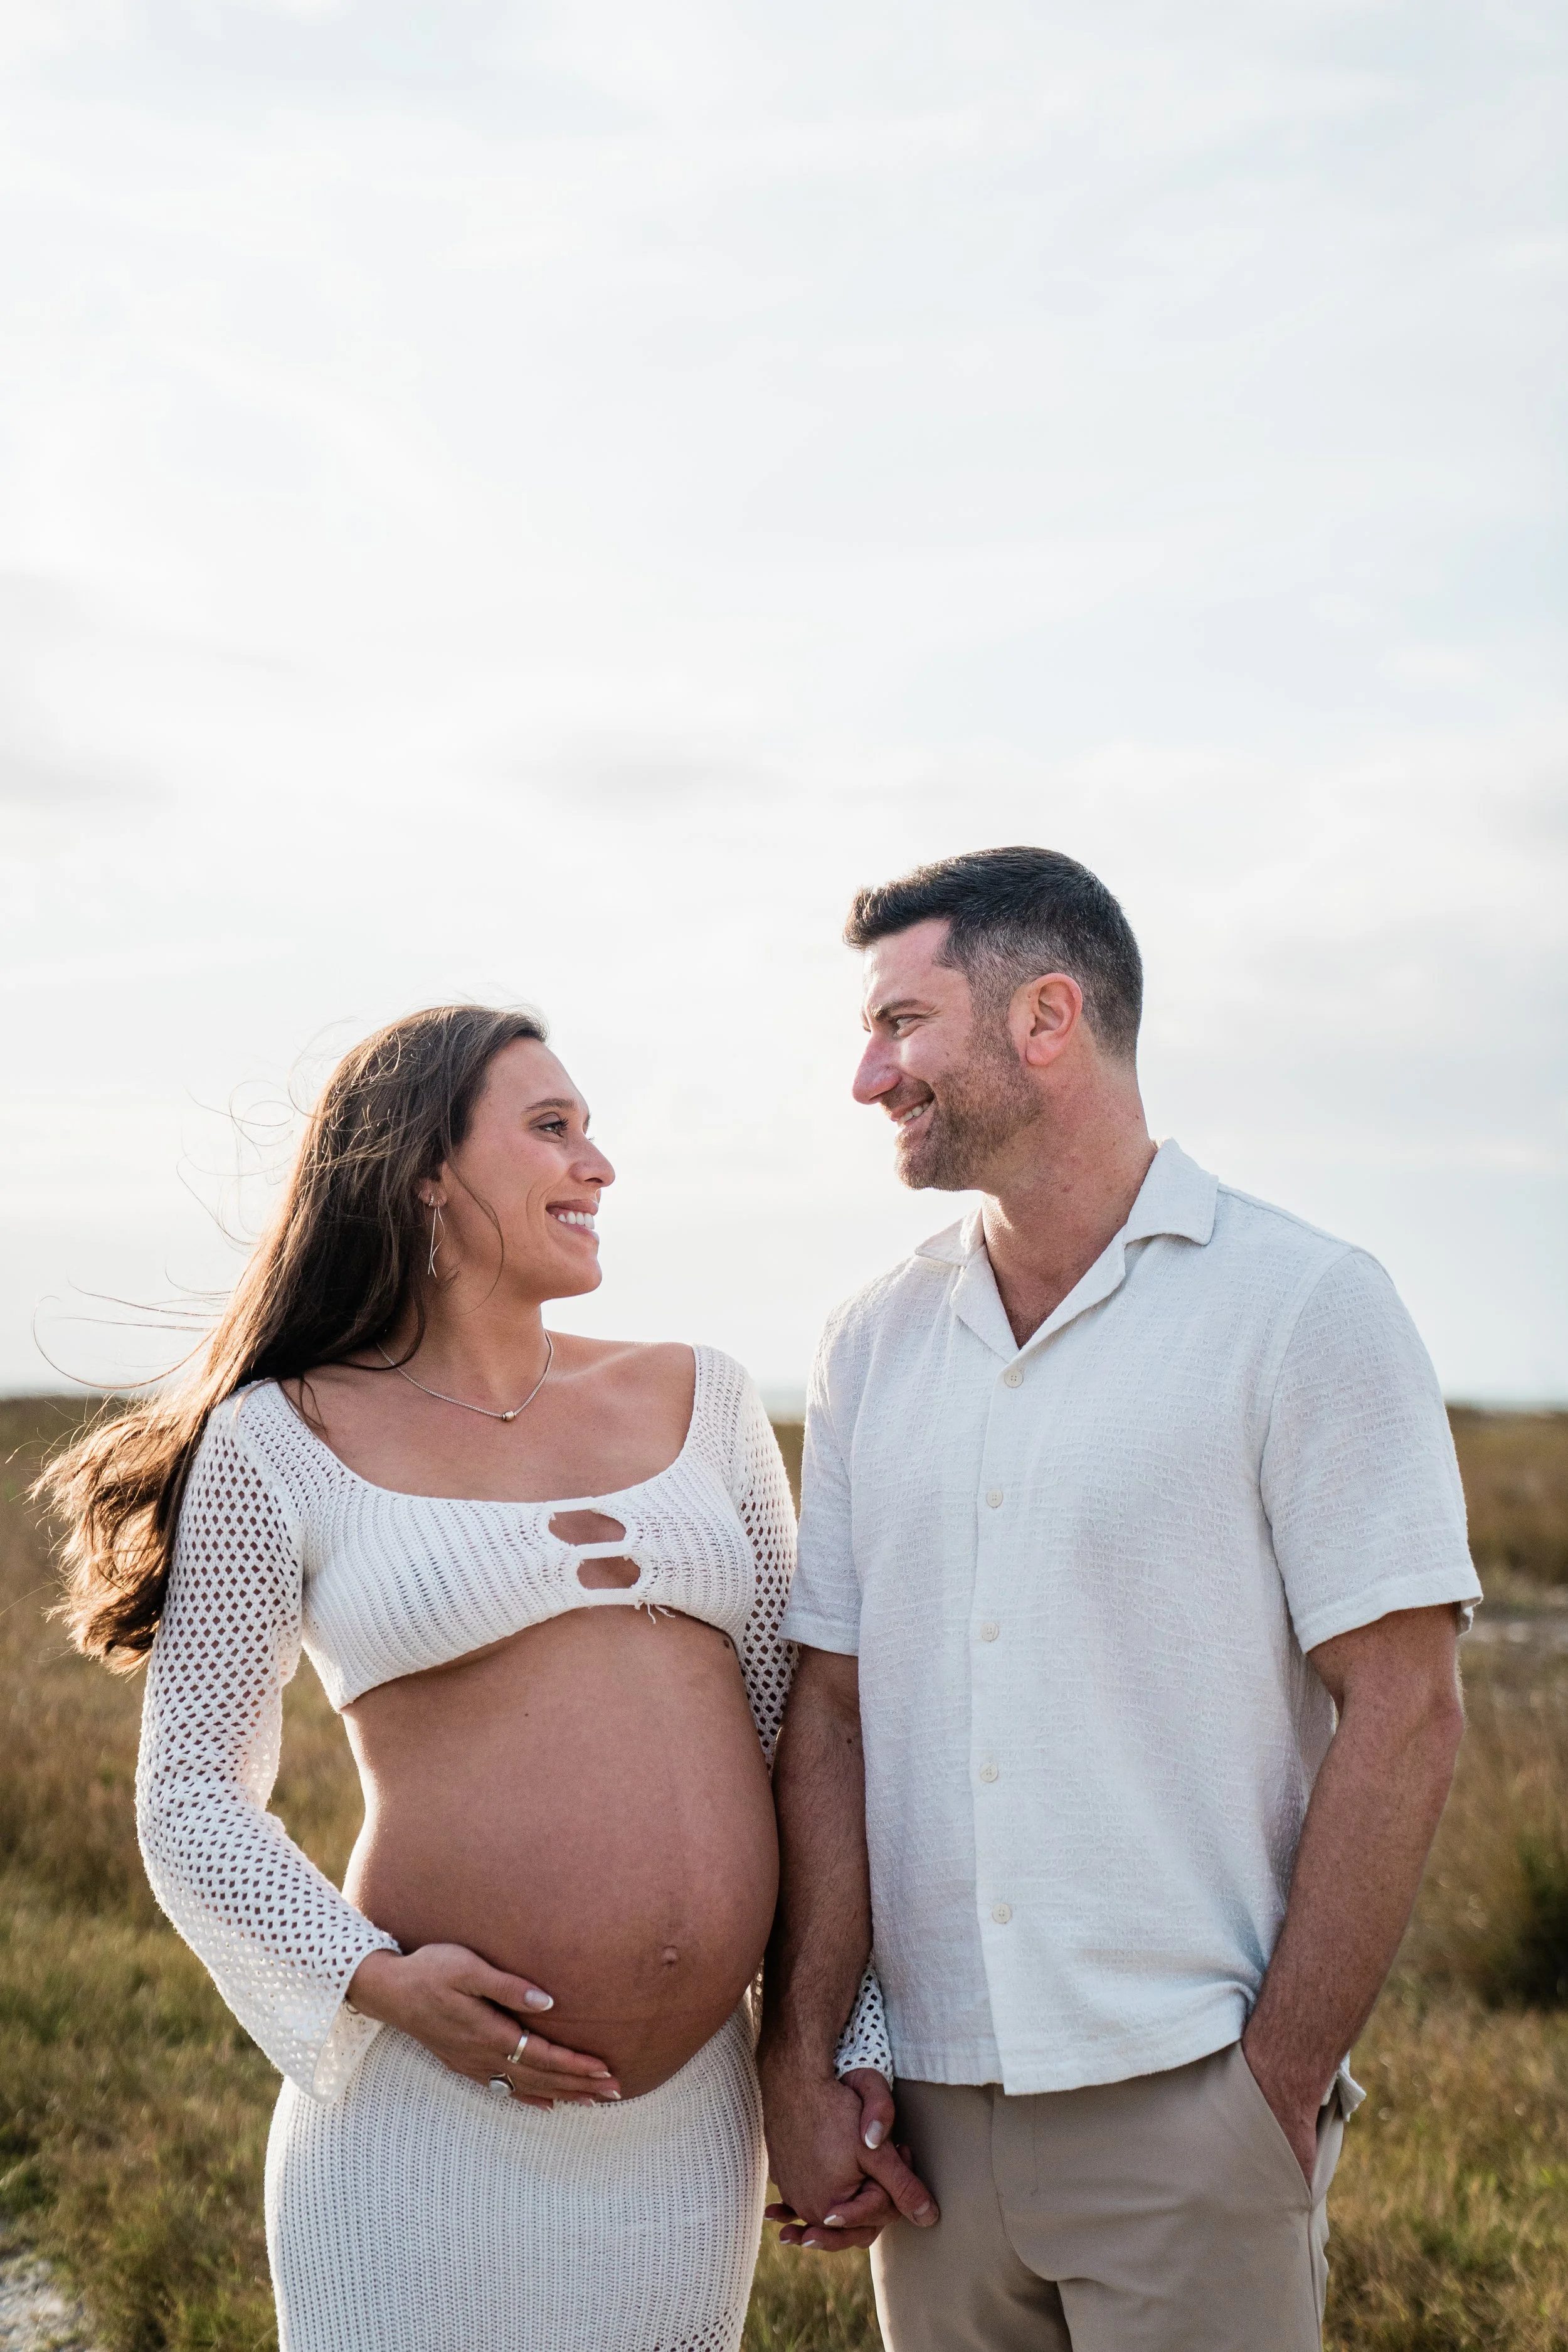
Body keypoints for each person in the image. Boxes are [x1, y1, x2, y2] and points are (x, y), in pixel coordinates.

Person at [41, 1004, 912, 2352]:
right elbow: (191, 1800)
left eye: (590, 1128)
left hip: (684, 2131)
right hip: (422, 2128)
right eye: (551, 1129)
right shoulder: (282, 1437)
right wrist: (377, 1981)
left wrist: (829, 2042)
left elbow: (791, 1744)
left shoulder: (709, 1401)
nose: (598, 1164)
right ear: (425, 1171)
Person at [759, 849, 1481, 2352]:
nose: (865, 1075)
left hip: (1190, 2107)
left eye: (900, 1023)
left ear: (1044, 1017)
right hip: (933, 2146)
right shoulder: (867, 1344)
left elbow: (1405, 1710)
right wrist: (806, 2054)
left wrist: (1273, 2082)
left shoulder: (1300, 1307)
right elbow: (827, 1716)